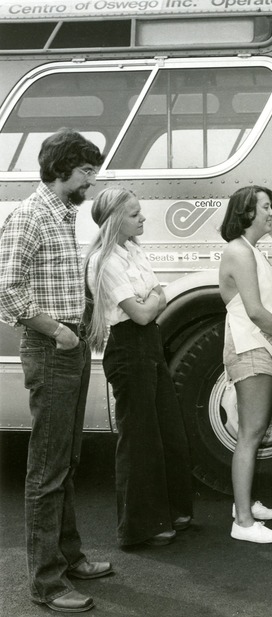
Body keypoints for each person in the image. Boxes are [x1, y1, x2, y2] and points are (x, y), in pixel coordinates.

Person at [0, 129, 110, 613]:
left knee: (66, 460)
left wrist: (83, 327)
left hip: (71, 344)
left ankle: (69, 557)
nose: (92, 180)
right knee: (47, 468)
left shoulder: (60, 215)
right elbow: (6, 290)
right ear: (62, 169)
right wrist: (59, 332)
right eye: (86, 172)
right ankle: (46, 584)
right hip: (51, 348)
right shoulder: (29, 217)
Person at [84, 188, 194, 548]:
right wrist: (152, 299)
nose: (143, 218)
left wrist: (151, 299)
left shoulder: (132, 251)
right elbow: (145, 310)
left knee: (168, 430)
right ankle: (139, 528)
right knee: (139, 440)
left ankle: (172, 512)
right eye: (134, 214)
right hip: (129, 348)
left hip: (148, 344)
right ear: (116, 220)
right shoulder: (104, 260)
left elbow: (157, 297)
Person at [219, 186, 272, 544]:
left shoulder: (251, 251)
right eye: (266, 207)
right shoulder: (239, 252)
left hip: (261, 349)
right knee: (251, 434)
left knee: (254, 432)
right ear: (247, 212)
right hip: (249, 348)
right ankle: (242, 521)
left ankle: (247, 505)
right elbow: (255, 311)